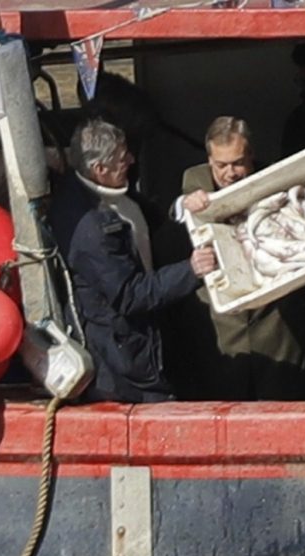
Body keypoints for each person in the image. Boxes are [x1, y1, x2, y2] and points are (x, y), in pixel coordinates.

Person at [48, 118, 217, 403]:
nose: (131, 160)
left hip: (151, 332)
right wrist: (191, 270)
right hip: (124, 359)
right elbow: (129, 295)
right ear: (99, 170)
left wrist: (181, 207)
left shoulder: (112, 190)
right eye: (122, 158)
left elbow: (148, 216)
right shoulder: (90, 229)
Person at [168, 117, 305, 400]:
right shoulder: (194, 181)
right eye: (221, 165)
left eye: (237, 163)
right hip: (224, 332)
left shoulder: (276, 179)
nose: (230, 173)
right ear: (209, 158)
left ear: (251, 156)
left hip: (276, 329)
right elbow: (173, 211)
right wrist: (184, 205)